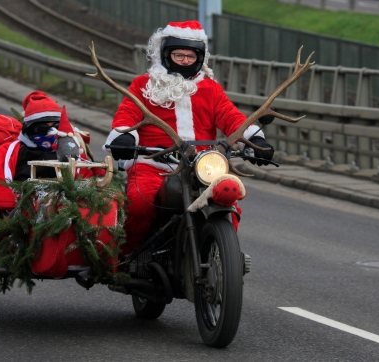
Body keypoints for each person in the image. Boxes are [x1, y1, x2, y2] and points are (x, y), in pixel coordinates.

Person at [105, 20, 275, 255]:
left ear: (200, 57)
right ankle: (128, 256)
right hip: (154, 163)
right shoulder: (144, 85)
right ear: (166, 54)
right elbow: (127, 115)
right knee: (139, 203)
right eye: (179, 55)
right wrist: (123, 138)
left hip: (203, 166)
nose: (185, 61)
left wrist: (256, 140)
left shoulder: (211, 88)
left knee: (228, 199)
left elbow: (231, 117)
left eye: (191, 56)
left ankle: (222, 256)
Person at [0, 91, 95, 210]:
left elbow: (87, 182)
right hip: (21, 213)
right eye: (42, 128)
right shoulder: (11, 150)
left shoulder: (70, 149)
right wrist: (34, 202)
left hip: (65, 212)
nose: (50, 132)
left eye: (55, 127)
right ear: (29, 129)